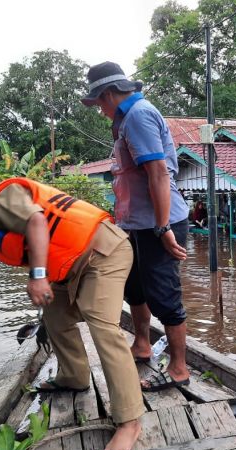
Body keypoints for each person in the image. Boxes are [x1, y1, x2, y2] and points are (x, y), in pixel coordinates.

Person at [0, 178, 144, 450]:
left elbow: (36, 221)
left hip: (103, 253)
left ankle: (130, 421)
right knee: (54, 316)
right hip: (73, 266)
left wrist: (37, 276)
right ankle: (74, 377)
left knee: (102, 326)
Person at [81, 61, 191, 391]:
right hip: (135, 225)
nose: (100, 110)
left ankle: (179, 368)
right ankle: (142, 346)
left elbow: (157, 174)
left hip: (159, 225)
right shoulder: (127, 119)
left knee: (165, 297)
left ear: (109, 94)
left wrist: (161, 228)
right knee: (135, 290)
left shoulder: (139, 115)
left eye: (99, 103)